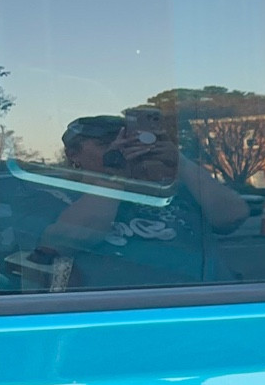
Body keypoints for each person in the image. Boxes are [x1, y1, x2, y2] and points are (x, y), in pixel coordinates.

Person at [31, 108, 248, 288]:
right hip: (117, 312)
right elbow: (68, 239)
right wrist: (115, 174)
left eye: (130, 141)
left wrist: (180, 162)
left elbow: (233, 216)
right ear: (73, 154)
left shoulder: (173, 190)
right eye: (106, 144)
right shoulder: (55, 193)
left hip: (211, 303)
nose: (125, 148)